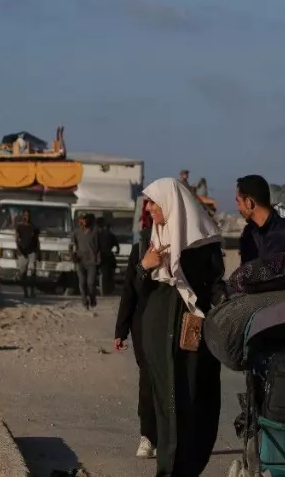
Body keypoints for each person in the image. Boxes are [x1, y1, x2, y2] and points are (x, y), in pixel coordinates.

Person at [138, 177, 226, 477]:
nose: (148, 208)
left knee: (192, 397)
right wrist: (145, 267)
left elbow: (215, 284)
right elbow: (137, 291)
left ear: (171, 202)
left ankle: (188, 466)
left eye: (152, 202)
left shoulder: (204, 242)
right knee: (165, 402)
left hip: (191, 332)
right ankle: (168, 470)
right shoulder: (151, 241)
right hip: (158, 330)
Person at [115, 199, 158, 459]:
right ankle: (148, 436)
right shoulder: (140, 246)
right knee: (148, 382)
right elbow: (130, 291)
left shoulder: (185, 245)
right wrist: (121, 330)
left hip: (174, 328)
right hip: (144, 325)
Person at [71, 214, 102, 309]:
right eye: (81, 219)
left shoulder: (95, 231)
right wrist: (72, 254)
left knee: (90, 283)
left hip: (92, 261)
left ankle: (92, 298)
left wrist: (99, 258)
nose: (83, 221)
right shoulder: (76, 232)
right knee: (82, 282)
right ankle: (84, 301)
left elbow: (99, 246)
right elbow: (72, 245)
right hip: (80, 261)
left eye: (85, 219)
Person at [14, 211, 41, 298]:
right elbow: (16, 239)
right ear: (22, 216)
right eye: (25, 215)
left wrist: (38, 251)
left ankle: (32, 291)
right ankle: (25, 291)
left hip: (32, 251)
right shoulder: (19, 227)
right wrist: (19, 250)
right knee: (23, 272)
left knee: (32, 270)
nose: (26, 217)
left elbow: (37, 240)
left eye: (28, 216)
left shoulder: (34, 228)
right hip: (22, 251)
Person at [96, 217, 119, 296]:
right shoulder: (112, 235)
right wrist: (117, 251)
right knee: (112, 270)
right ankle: (110, 286)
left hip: (100, 256)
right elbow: (117, 246)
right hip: (109, 255)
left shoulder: (98, 234)